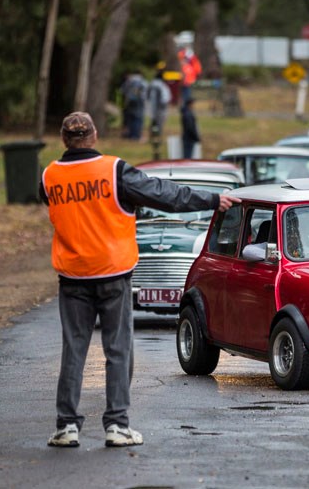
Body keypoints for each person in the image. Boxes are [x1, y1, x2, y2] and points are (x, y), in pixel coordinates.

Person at [39, 112, 238, 448]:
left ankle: (66, 426)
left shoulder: (49, 176)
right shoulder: (114, 171)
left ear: (63, 140)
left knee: (74, 349)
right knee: (118, 349)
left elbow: (50, 202)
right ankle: (117, 425)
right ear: (95, 135)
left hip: (72, 275)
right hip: (113, 273)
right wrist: (212, 200)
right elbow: (165, 195)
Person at [146, 67, 171, 143]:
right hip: (160, 109)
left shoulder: (151, 84)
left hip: (152, 108)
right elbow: (165, 98)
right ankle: (158, 139)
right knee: (159, 124)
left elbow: (147, 96)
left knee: (153, 123)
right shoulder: (161, 86)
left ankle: (151, 138)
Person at [120, 71, 146, 140]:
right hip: (138, 103)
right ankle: (136, 136)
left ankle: (131, 135)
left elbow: (122, 90)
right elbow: (143, 93)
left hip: (129, 103)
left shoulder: (129, 81)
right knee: (137, 119)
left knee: (130, 119)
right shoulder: (141, 81)